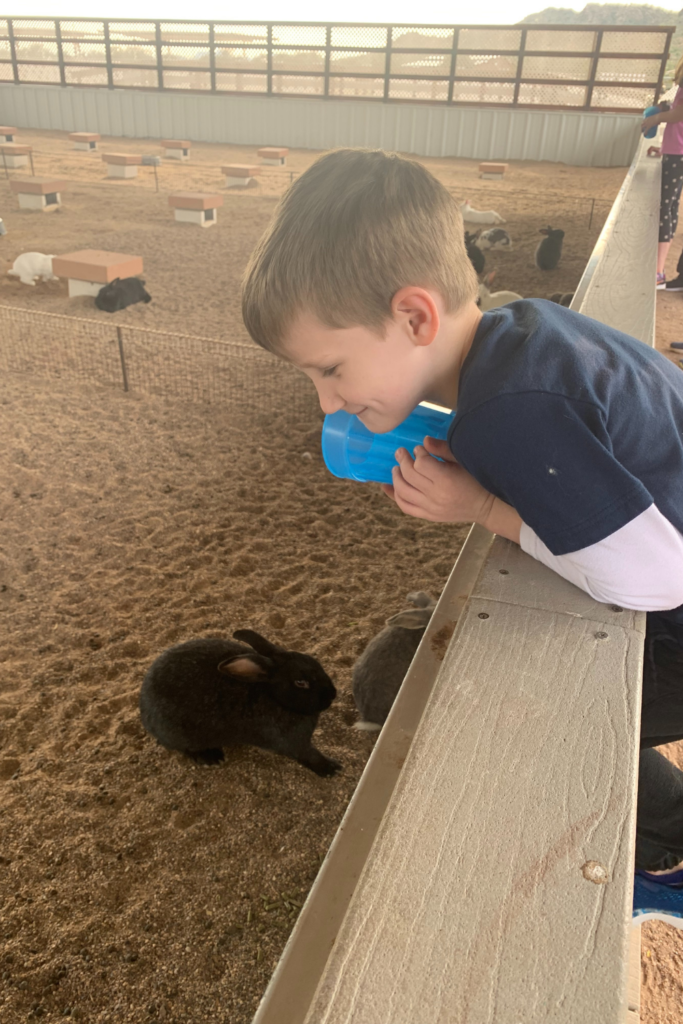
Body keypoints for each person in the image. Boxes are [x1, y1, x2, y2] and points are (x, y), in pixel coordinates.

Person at [242, 147, 683, 870]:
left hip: (672, 626)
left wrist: (482, 505)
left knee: (533, 719)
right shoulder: (526, 329)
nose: (326, 401)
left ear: (414, 315)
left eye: (329, 369)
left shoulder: (505, 416)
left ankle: (664, 842)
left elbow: (654, 580)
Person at [641, 53, 683, 289]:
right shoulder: (679, 88)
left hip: (678, 154)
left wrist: (657, 117)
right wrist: (665, 148)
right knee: (670, 206)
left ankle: (657, 272)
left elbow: (680, 115)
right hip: (675, 151)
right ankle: (658, 269)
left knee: (665, 208)